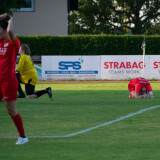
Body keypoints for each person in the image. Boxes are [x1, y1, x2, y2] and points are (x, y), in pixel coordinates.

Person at [0, 14, 28, 144]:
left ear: (4, 31)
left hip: (8, 81)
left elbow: (10, 31)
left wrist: (10, 19)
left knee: (11, 111)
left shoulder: (13, 43)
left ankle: (23, 137)